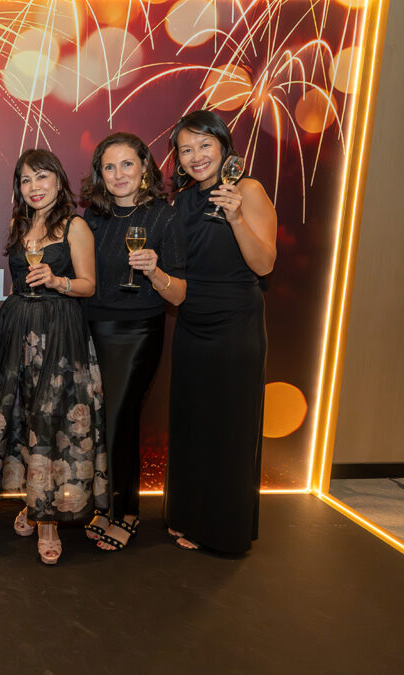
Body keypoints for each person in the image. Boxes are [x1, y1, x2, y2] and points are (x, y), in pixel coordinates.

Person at [0, 149, 106, 565]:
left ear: (59, 180)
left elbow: (89, 285)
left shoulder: (75, 225)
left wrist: (57, 280)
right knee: (25, 419)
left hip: (59, 332)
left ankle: (48, 522)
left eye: (42, 176)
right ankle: (34, 502)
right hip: (18, 332)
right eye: (26, 179)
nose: (34, 186)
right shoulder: (21, 224)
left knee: (52, 420)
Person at [165, 110, 276, 554]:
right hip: (192, 321)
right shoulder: (182, 203)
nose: (196, 156)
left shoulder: (248, 190)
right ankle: (189, 517)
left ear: (223, 145)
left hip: (235, 324)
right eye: (185, 150)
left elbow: (264, 264)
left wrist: (236, 218)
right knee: (193, 423)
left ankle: (225, 531)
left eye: (204, 145)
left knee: (229, 427)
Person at [79, 133, 187, 552]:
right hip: (93, 328)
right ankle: (104, 504)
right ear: (100, 174)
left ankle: (127, 512)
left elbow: (178, 295)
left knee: (120, 418)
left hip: (139, 331)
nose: (118, 174)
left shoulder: (164, 217)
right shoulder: (93, 217)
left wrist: (154, 271)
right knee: (99, 422)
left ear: (144, 167)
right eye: (109, 167)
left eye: (127, 164)